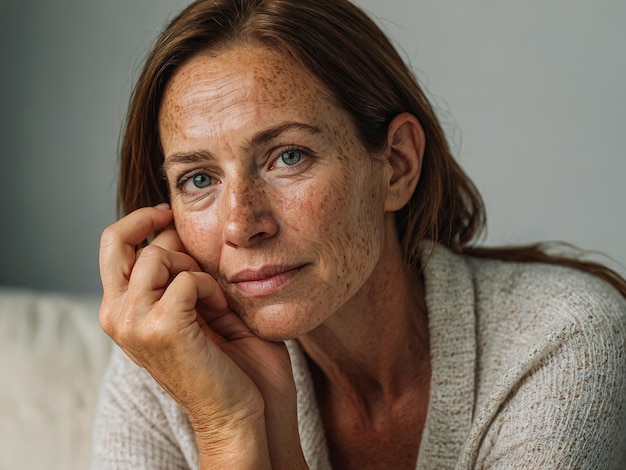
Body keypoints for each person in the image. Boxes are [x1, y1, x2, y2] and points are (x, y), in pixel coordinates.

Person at [92, 0, 626, 468]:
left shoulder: (561, 344)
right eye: (199, 179)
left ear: (395, 164)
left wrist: (245, 437)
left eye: (288, 156)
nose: (241, 224)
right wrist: (228, 427)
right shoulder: (168, 365)